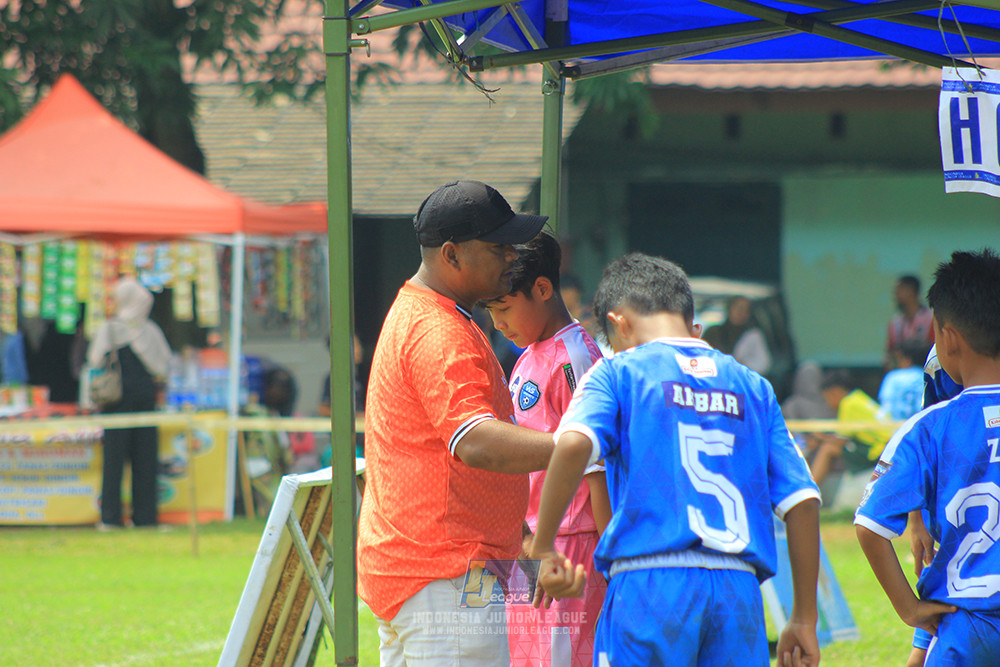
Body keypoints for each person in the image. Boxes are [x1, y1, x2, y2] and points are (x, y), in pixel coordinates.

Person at [530, 253, 821, 667]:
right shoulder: (754, 386)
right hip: (737, 588)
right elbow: (803, 501)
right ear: (693, 326)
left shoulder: (617, 372)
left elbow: (573, 446)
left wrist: (543, 547)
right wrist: (804, 618)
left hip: (649, 581)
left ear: (618, 324)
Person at [356, 180, 556, 665]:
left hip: (432, 570)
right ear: (452, 254)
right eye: (498, 246)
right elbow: (476, 442)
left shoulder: (433, 313)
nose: (512, 256)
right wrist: (582, 444)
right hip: (446, 573)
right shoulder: (437, 329)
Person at [856, 248, 1000, 667]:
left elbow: (869, 526)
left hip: (967, 620)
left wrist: (910, 608)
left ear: (947, 338)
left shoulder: (927, 427)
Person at [481, 232, 609, 667]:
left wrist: (611, 562)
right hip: (531, 545)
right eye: (491, 312)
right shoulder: (528, 353)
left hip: (572, 546)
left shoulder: (576, 357)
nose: (498, 323)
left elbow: (596, 466)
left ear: (541, 288)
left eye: (503, 308)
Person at [86, 277, 171, 529]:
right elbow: (162, 366)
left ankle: (133, 518)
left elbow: (94, 359)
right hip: (127, 402)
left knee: (136, 460)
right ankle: (124, 518)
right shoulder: (125, 329)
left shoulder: (127, 329)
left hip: (130, 403)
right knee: (126, 461)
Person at [703, 295, 772, 375]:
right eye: (739, 308)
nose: (741, 312)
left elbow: (763, 363)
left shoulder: (753, 335)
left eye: (746, 310)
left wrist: (743, 364)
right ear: (730, 308)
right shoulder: (713, 332)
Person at [885, 274, 934, 366]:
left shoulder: (930, 319)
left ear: (911, 292)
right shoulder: (895, 323)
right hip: (902, 372)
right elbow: (890, 353)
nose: (896, 296)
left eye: (899, 291)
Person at [878, 339, 931, 421]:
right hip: (921, 425)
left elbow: (886, 408)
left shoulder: (893, 377)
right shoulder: (927, 377)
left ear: (907, 359)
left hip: (896, 427)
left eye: (898, 358)